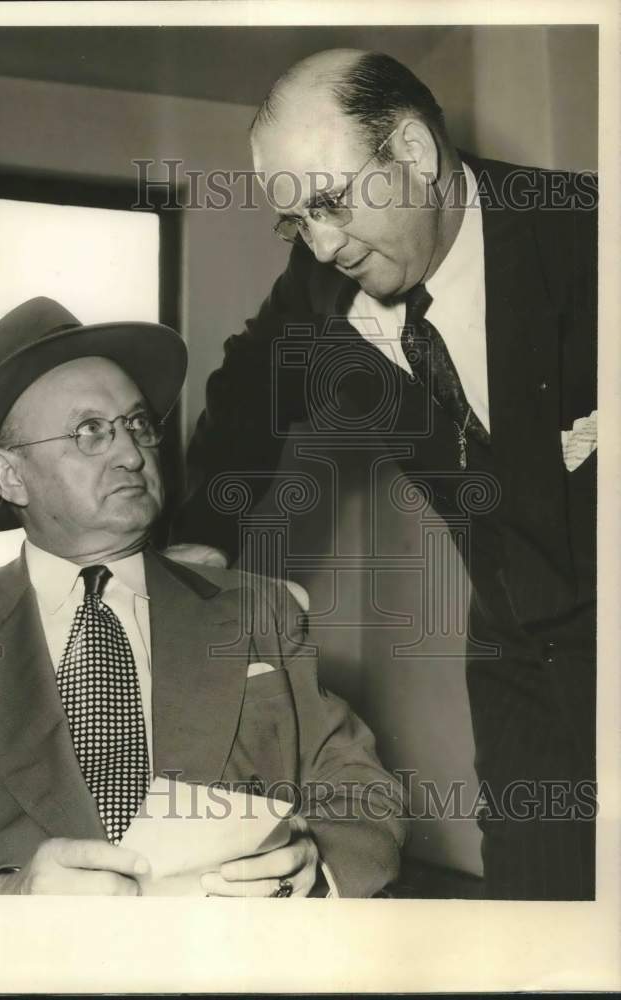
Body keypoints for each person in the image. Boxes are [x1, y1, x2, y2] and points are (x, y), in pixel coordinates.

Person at [169, 49, 597, 900]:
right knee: (532, 905)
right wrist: (198, 548)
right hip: (514, 637)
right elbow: (247, 395)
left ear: (413, 149)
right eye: (296, 222)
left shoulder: (587, 236)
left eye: (328, 203)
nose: (322, 246)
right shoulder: (319, 289)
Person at [0, 295, 405, 897]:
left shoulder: (259, 612)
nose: (132, 454)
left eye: (137, 425)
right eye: (90, 433)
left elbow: (361, 788)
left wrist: (317, 862)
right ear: (9, 476)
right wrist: (2, 893)